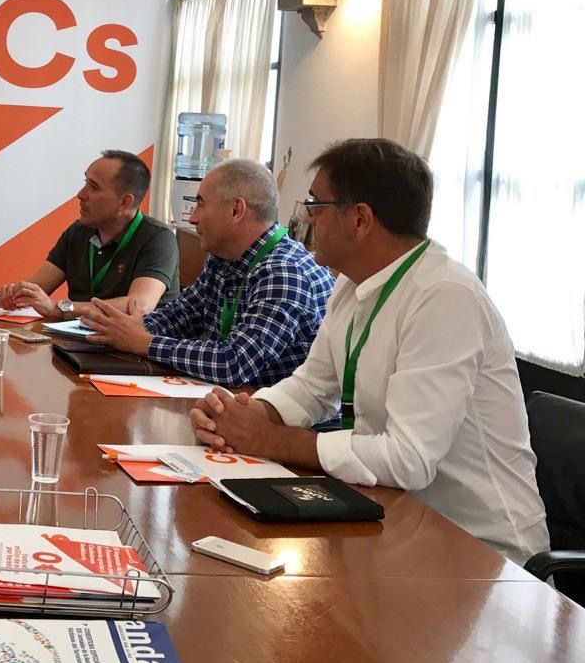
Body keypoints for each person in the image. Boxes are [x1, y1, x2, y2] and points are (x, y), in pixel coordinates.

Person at [189, 139, 548, 563]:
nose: (306, 218)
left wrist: (273, 440)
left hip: (480, 551)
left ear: (360, 219)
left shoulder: (445, 297)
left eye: (315, 204)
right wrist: (244, 414)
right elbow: (311, 385)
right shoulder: (352, 281)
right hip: (390, 516)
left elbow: (407, 459)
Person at [82, 158, 332, 387]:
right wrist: (127, 327)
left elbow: (234, 363)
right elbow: (182, 315)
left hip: (279, 422)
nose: (192, 219)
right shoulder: (222, 258)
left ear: (236, 210)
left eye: (200, 204)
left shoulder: (286, 273)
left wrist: (144, 342)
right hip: (228, 404)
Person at [0, 151, 179, 320]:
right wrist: (15, 294)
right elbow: (38, 288)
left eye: (93, 187)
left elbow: (139, 305)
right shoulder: (78, 232)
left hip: (134, 350)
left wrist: (59, 308)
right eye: (85, 183)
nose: (80, 194)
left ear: (124, 202)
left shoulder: (158, 238)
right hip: (80, 340)